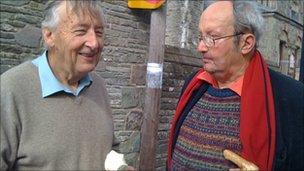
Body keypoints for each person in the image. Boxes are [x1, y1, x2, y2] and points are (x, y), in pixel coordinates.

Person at [167, 1, 304, 171]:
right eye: (201, 37)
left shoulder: (292, 98)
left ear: (246, 43)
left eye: (212, 38)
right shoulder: (194, 85)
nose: (200, 47)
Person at [0, 1, 132, 170]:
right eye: (80, 31)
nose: (94, 43)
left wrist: (120, 168)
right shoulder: (10, 89)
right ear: (49, 36)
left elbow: (108, 149)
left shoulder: (98, 86)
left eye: (99, 32)